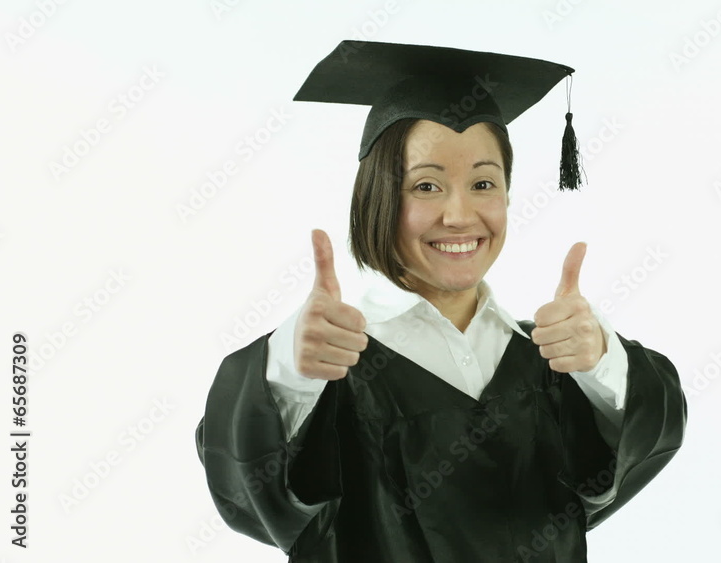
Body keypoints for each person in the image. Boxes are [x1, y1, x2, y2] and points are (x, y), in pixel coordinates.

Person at [195, 40, 686, 562]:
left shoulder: (551, 358)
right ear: (377, 197)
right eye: (426, 186)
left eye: (483, 183)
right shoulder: (331, 369)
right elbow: (245, 490)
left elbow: (649, 435)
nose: (459, 214)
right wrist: (288, 366)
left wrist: (602, 358)